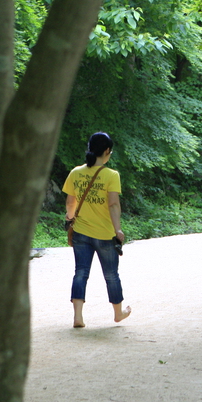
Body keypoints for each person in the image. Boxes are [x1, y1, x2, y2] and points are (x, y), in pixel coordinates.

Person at [63, 131, 131, 328]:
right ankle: (118, 313)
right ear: (107, 151)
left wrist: (70, 218)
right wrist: (118, 229)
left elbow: (70, 202)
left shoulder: (76, 173)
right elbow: (113, 205)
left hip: (81, 233)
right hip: (104, 234)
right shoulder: (111, 175)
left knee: (80, 272)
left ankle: (78, 317)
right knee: (111, 275)